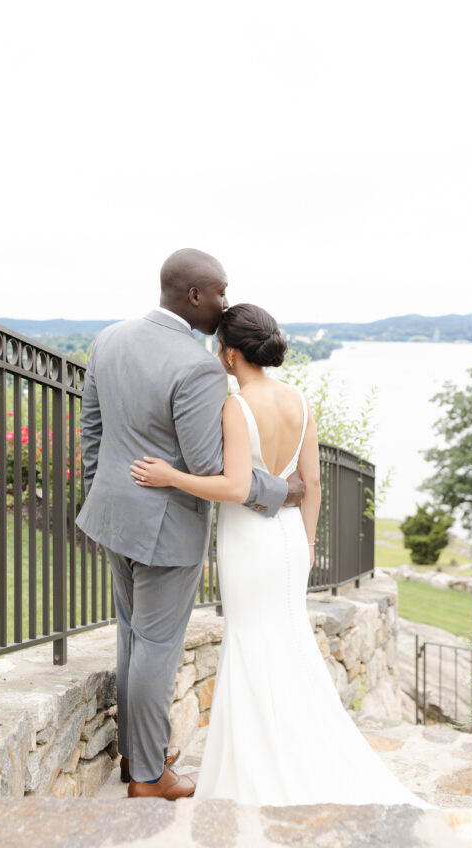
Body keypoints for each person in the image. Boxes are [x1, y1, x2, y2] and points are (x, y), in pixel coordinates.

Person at [131, 302, 435, 810]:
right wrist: (309, 542)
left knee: (251, 643)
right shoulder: (299, 398)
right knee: (288, 644)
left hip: (248, 542)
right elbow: (311, 483)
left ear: (228, 354)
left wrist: (171, 476)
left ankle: (254, 769)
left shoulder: (235, 406)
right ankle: (293, 753)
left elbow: (232, 486)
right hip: (291, 538)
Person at [76, 250, 304, 801]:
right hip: (165, 528)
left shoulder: (109, 338)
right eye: (221, 292)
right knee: (156, 645)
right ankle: (150, 779)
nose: (226, 301)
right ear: (196, 296)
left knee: (133, 636)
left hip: (114, 516)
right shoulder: (199, 366)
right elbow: (209, 467)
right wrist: (282, 490)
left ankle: (140, 752)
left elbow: (92, 429)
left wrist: (100, 495)